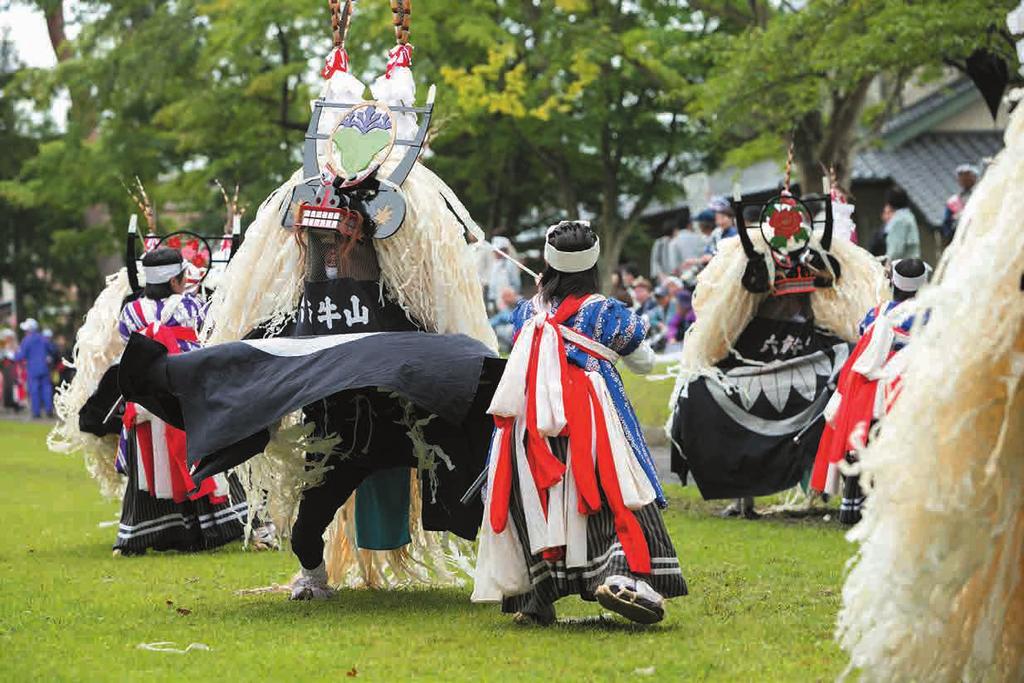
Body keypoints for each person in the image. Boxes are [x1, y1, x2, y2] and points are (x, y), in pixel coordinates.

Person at [472, 220, 687, 625]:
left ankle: (534, 598)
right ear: (592, 264)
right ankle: (624, 576)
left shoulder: (525, 313)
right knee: (614, 493)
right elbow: (645, 362)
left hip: (530, 427)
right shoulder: (604, 312)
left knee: (535, 499)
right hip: (590, 420)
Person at [669, 186, 886, 518]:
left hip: (809, 350)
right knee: (701, 392)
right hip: (755, 354)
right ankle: (741, 497)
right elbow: (744, 299)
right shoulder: (751, 268)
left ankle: (831, 489)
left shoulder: (816, 260)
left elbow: (831, 277)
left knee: (847, 379)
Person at [113, 247, 246, 555]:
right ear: (175, 281)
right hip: (183, 397)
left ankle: (139, 536)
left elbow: (125, 351)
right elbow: (205, 344)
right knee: (202, 459)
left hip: (145, 402)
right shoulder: (193, 305)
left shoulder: (130, 312)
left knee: (148, 469)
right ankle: (214, 529)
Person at [810, 258, 928, 524]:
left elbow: (862, 334)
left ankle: (852, 507)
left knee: (861, 444)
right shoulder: (929, 314)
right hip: (908, 387)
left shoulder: (877, 313)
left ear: (894, 283)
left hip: (870, 390)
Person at [15, 318, 56, 418]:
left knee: (34, 390)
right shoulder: (43, 338)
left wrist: (15, 354)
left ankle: (36, 413)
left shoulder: (26, 340)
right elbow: (53, 349)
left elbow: (20, 356)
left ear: (29, 329)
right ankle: (49, 410)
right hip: (44, 368)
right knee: (47, 389)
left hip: (33, 369)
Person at [939, 164, 979, 245]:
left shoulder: (981, 195)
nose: (964, 179)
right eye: (961, 176)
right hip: (960, 239)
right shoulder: (953, 201)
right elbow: (947, 223)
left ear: (974, 177)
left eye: (967, 176)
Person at [881, 187, 921, 262]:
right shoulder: (908, 215)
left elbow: (896, 249)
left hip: (903, 265)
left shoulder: (899, 220)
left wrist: (888, 263)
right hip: (912, 263)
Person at [485, 236, 522, 313]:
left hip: (508, 301)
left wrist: (512, 297)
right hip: (497, 300)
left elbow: (516, 283)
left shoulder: (510, 264)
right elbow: (492, 282)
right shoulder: (495, 264)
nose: (494, 253)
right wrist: (491, 299)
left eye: (496, 251)